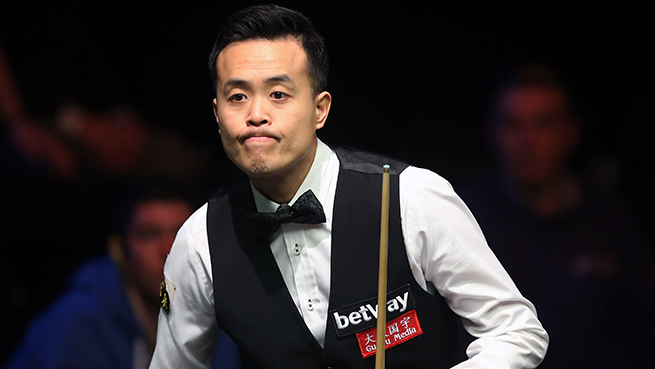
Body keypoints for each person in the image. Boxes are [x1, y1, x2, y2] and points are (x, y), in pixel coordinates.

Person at [149, 5, 547, 369]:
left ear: (320, 108)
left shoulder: (411, 197)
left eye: (278, 94)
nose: (256, 114)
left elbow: (515, 331)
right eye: (237, 97)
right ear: (217, 114)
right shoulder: (200, 241)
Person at [457, 63, 655, 367]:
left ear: (570, 132)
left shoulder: (612, 223)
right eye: (513, 124)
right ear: (492, 133)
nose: (528, 139)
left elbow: (641, 330)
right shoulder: (464, 218)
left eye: (544, 123)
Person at [4, 182, 241, 369]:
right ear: (119, 250)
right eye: (149, 235)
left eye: (182, 233)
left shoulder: (225, 314)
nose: (170, 249)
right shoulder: (75, 325)